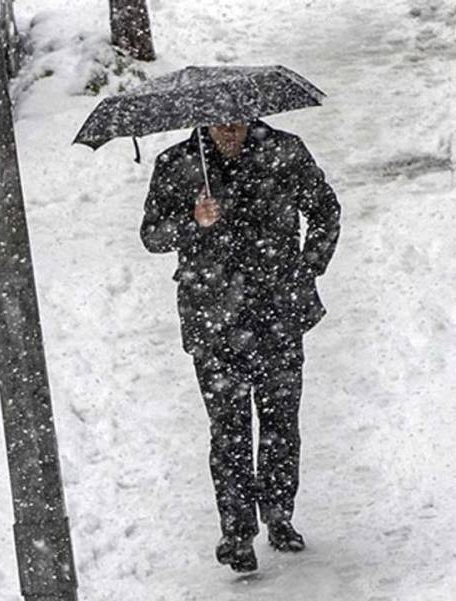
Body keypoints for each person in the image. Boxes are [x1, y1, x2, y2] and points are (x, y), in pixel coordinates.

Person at [140, 120, 340, 573]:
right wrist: (192, 220)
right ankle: (237, 532)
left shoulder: (284, 151)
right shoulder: (177, 164)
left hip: (278, 312)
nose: (229, 131)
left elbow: (325, 210)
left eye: (237, 122)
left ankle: (278, 515)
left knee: (279, 422)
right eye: (219, 124)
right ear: (203, 122)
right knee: (227, 430)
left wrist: (308, 268)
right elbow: (151, 235)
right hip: (212, 318)